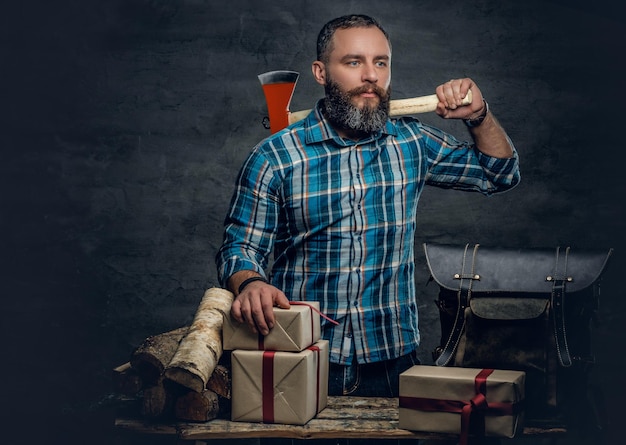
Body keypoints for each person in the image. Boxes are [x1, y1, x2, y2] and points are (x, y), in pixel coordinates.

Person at [216, 14, 520, 399]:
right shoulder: (275, 157)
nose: (371, 75)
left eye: (381, 62)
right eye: (354, 62)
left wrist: (478, 116)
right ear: (321, 72)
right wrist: (252, 283)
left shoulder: (411, 141)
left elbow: (500, 174)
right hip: (300, 358)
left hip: (394, 362)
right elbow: (240, 247)